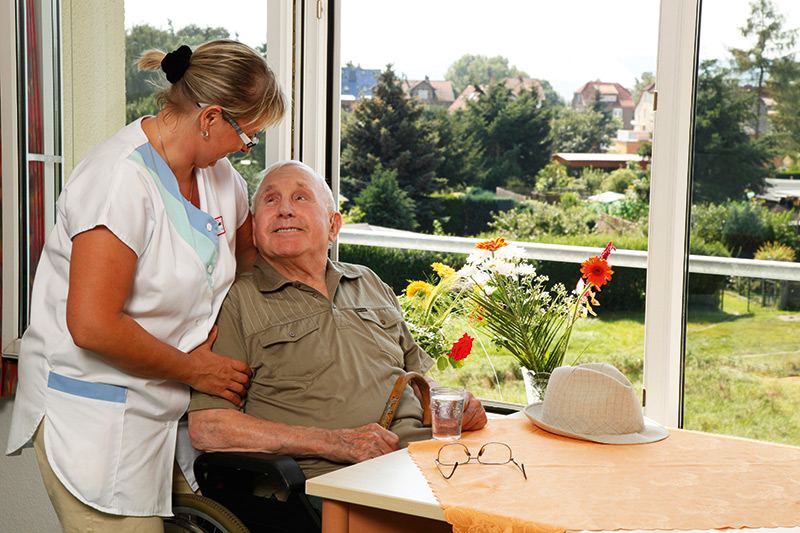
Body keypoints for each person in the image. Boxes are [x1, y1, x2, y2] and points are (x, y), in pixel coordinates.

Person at [6, 40, 286, 531]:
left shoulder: (223, 181)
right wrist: (196, 369)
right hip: (98, 415)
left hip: (171, 412)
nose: (247, 147)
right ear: (211, 117)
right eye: (248, 134)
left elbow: (247, 266)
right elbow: (92, 326)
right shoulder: (118, 181)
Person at [187, 160, 487, 482]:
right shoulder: (236, 302)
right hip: (336, 485)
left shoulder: (369, 282)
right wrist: (333, 443)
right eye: (270, 200)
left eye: (301, 198)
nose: (284, 209)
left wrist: (456, 406)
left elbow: (419, 381)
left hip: (427, 464)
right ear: (255, 231)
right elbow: (210, 428)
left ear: (333, 226)